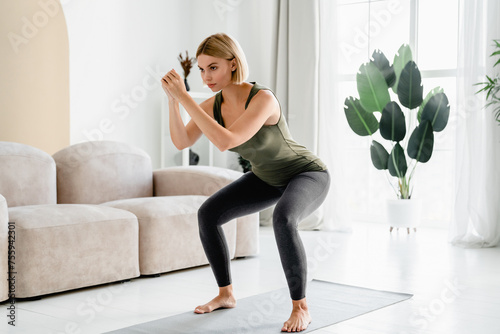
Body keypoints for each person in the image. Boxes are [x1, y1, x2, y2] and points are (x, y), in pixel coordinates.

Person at [161, 32, 330, 333]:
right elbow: (181, 140)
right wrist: (174, 102)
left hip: (305, 173)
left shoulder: (262, 98)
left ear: (233, 64)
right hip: (266, 178)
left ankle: (301, 308)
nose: (205, 76)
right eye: (201, 69)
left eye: (213, 67)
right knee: (208, 214)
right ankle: (225, 294)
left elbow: (227, 141)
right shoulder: (214, 105)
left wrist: (185, 96)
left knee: (284, 219)